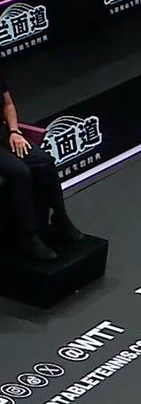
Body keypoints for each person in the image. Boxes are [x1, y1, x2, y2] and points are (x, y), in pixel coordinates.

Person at [1, 67, 83, 260]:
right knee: (20, 173)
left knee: (44, 162)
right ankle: (29, 236)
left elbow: (8, 105)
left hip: (4, 133)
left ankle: (60, 218)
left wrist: (14, 131)